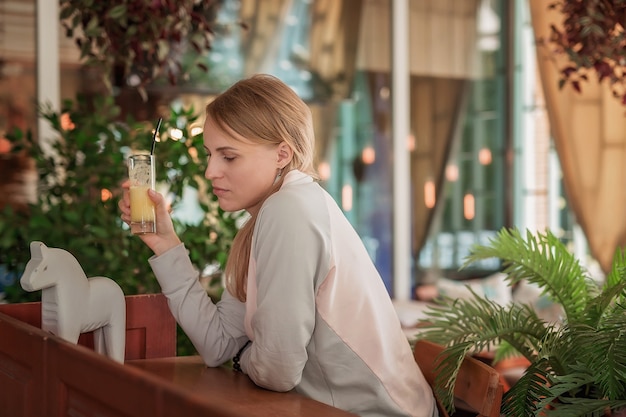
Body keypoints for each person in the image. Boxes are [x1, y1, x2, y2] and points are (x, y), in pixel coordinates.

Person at [119, 74, 437, 417]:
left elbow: (277, 371)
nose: (210, 171)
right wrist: (166, 243)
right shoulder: (267, 217)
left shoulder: (289, 211)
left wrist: (244, 358)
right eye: (211, 154)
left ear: (282, 154)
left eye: (229, 157)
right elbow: (217, 344)